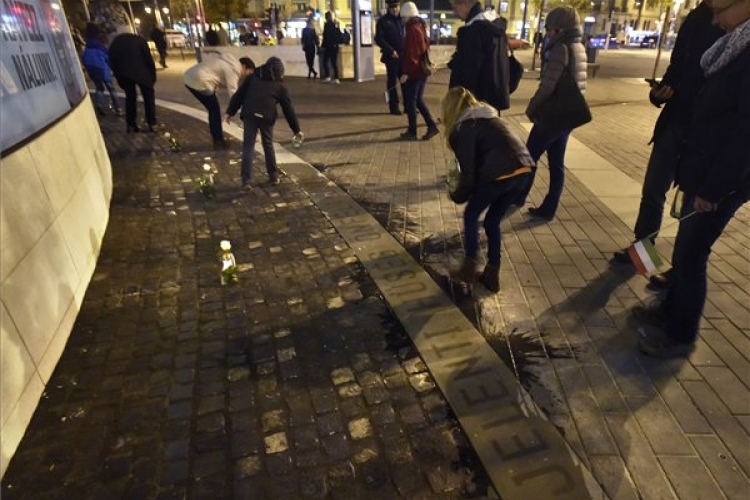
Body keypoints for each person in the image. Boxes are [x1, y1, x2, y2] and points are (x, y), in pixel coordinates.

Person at [633, 0, 750, 358]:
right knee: (679, 237)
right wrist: (661, 92)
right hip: (695, 155)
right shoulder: (726, 38)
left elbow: (744, 133)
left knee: (692, 253)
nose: (716, 20)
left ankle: (681, 333)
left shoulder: (743, 50)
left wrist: (713, 188)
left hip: (719, 175)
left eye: (720, 11)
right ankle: (666, 303)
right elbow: (680, 71)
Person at [611, 0, 724, 290]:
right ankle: (644, 255)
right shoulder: (696, 17)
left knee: (689, 204)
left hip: (703, 131)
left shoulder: (731, 22)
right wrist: (659, 93)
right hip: (675, 123)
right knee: (653, 191)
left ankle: (679, 272)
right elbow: (677, 68)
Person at [444, 87, 535, 292]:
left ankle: (469, 267)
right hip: (523, 171)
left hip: (499, 175)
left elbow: (468, 173)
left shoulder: (465, 127)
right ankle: (492, 274)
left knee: (471, 215)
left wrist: (457, 195)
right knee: (492, 221)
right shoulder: (490, 117)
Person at [517, 6, 587, 221]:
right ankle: (550, 206)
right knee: (556, 163)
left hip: (553, 115)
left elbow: (548, 85)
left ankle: (517, 196)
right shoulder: (578, 47)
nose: (547, 33)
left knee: (528, 156)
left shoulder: (560, 49)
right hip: (568, 115)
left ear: (561, 29)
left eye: (550, 29)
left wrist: (532, 107)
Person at [225, 57, 303, 190]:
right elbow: (288, 109)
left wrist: (229, 112)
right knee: (268, 144)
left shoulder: (252, 78)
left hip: (250, 115)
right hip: (266, 117)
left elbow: (239, 95)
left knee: (248, 146)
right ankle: (273, 176)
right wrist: (296, 130)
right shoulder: (280, 86)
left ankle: (246, 180)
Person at [447, 0, 511, 113]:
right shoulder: (495, 25)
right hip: (494, 97)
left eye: (455, 7)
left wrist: (459, 103)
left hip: (475, 102)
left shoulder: (473, 31)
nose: (454, 12)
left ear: (466, 3)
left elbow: (468, 73)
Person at [184, 42, 245, 149]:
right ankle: (218, 141)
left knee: (213, 109)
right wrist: (239, 112)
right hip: (198, 81)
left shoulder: (226, 61)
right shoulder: (233, 69)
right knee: (214, 110)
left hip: (190, 77)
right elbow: (233, 92)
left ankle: (218, 138)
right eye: (248, 72)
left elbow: (215, 76)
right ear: (244, 66)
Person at [398, 2, 439, 141]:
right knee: (418, 100)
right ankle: (431, 126)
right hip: (421, 70)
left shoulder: (412, 30)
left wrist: (406, 73)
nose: (402, 20)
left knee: (411, 101)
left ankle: (412, 131)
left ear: (408, 16)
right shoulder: (421, 27)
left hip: (415, 72)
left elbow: (412, 54)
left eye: (403, 17)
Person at [109, 32, 157, 133]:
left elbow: (112, 62)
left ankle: (131, 124)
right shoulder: (139, 40)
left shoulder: (115, 43)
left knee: (130, 97)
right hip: (141, 72)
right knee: (148, 97)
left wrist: (119, 78)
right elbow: (148, 59)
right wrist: (152, 77)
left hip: (124, 73)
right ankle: (152, 123)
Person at [81, 24, 123, 116]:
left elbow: (84, 58)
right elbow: (107, 58)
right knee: (111, 89)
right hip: (103, 69)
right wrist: (113, 69)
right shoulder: (100, 46)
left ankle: (99, 104)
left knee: (99, 88)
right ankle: (118, 108)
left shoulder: (87, 46)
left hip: (92, 69)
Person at [375, 0, 405, 115]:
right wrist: (390, 50)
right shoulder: (383, 21)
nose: (395, 9)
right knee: (392, 82)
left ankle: (408, 105)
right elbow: (379, 38)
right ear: (388, 7)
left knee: (405, 82)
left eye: (396, 6)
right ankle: (394, 106)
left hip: (403, 55)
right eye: (392, 7)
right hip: (391, 56)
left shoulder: (402, 19)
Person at [321, 11, 341, 83]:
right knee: (334, 62)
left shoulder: (327, 25)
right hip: (335, 46)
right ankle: (336, 78)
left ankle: (328, 76)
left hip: (329, 46)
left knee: (325, 61)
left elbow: (325, 36)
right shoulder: (335, 24)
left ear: (327, 17)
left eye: (325, 16)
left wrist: (323, 46)